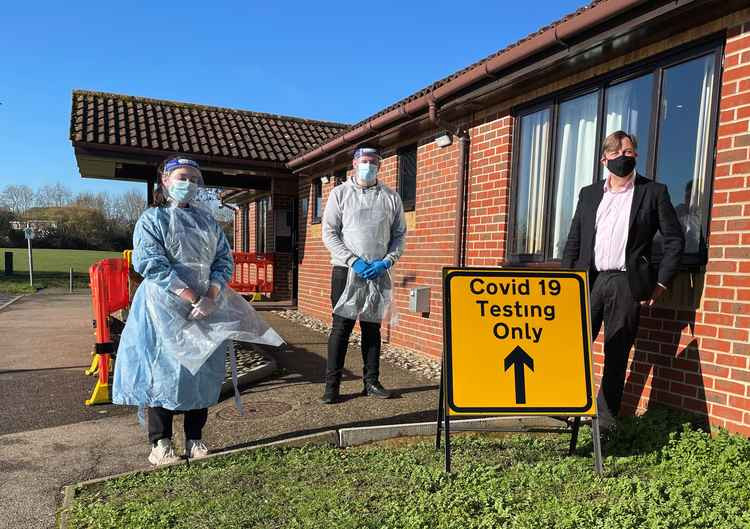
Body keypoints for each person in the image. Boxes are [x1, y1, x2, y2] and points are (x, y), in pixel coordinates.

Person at [113, 156, 284, 465]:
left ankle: (195, 439)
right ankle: (161, 443)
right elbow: (151, 262)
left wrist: (212, 294)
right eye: (181, 177)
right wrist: (191, 295)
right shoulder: (153, 220)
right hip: (162, 308)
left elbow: (223, 260)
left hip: (205, 306)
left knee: (201, 372)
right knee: (161, 374)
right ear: (165, 180)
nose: (188, 184)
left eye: (193, 178)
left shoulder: (208, 222)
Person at [562, 131, 684, 430]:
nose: (622, 158)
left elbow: (674, 240)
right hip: (588, 281)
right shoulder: (588, 194)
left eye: (628, 152)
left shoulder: (653, 192)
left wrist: (662, 282)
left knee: (617, 353)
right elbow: (575, 238)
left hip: (627, 284)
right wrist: (565, 281)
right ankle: (565, 404)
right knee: (572, 345)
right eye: (616, 154)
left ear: (636, 155)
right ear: (604, 160)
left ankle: (604, 419)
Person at [321, 146, 407, 404]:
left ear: (379, 166)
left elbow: (399, 235)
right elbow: (329, 232)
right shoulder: (340, 194)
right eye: (364, 160)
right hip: (346, 271)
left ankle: (371, 381)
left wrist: (387, 262)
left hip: (377, 272)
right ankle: (332, 386)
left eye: (373, 161)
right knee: (341, 328)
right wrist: (352, 260)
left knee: (372, 328)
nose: (368, 165)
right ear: (354, 163)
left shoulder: (391, 198)